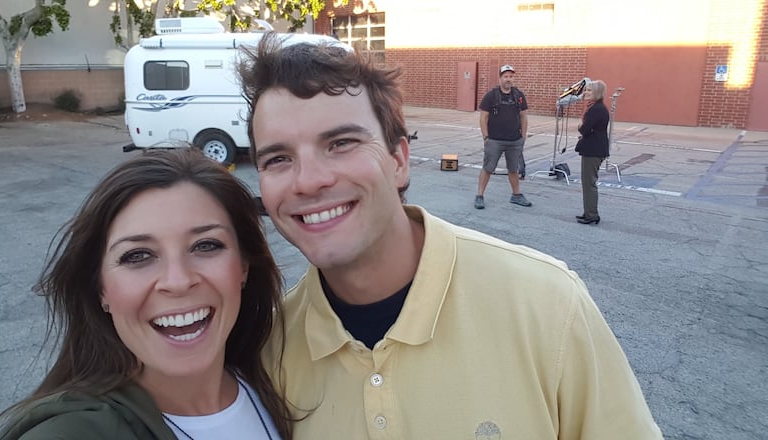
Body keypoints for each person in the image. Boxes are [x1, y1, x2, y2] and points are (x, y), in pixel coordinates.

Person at [238, 33, 663, 439]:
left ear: (399, 161)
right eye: (278, 158)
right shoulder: (271, 351)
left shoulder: (547, 305)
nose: (308, 181)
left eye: (341, 143)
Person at [0, 149, 292, 440]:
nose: (178, 281)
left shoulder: (285, 380)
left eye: (205, 245)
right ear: (100, 288)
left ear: (243, 267)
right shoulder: (75, 430)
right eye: (137, 256)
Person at [475, 64, 531, 209]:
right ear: (500, 78)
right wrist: (486, 137)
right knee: (488, 168)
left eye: (511, 76)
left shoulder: (519, 96)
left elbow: (524, 117)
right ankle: (480, 196)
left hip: (514, 141)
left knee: (513, 170)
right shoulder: (491, 95)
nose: (508, 79)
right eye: (506, 76)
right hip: (494, 140)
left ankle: (516, 195)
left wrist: (523, 137)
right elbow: (483, 117)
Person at [574, 80, 610, 225]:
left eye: (589, 90)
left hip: (593, 150)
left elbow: (584, 129)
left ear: (597, 93)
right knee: (587, 182)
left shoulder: (596, 109)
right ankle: (588, 211)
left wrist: (580, 126)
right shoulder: (596, 108)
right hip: (594, 148)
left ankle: (591, 214)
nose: (586, 93)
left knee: (589, 183)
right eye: (586, 90)